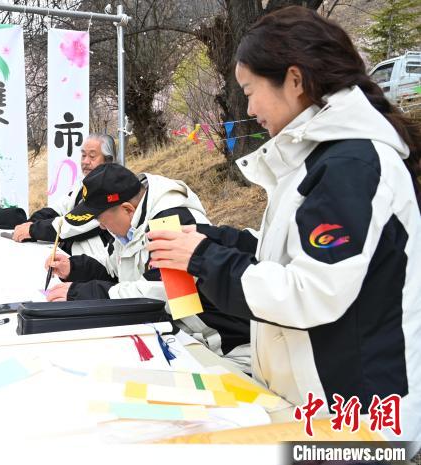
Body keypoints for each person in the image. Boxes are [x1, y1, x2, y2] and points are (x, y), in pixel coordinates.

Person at [146, 6, 421, 444]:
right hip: (318, 407)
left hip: (357, 423)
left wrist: (203, 259)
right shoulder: (319, 160)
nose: (249, 107)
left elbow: (312, 291)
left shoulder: (351, 165)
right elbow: (290, 253)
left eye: (250, 90)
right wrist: (214, 239)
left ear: (294, 80)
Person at [45, 164, 251, 369]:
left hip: (225, 351)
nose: (101, 226)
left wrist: (82, 294)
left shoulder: (172, 224)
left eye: (101, 219)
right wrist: (74, 268)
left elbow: (160, 295)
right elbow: (116, 270)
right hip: (184, 340)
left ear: (127, 209)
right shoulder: (134, 224)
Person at [13, 134, 116, 266]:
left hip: (98, 265)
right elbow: (57, 209)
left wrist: (33, 230)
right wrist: (31, 223)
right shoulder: (83, 184)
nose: (85, 161)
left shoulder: (111, 189)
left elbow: (74, 224)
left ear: (108, 160)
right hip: (73, 259)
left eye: (92, 156)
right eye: (83, 155)